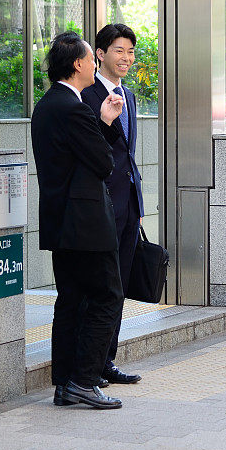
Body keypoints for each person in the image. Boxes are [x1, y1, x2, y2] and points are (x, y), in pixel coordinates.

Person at [31, 31, 126, 409]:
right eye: (90, 59)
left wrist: (99, 122)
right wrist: (101, 123)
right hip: (86, 221)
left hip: (61, 222)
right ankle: (85, 380)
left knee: (70, 300)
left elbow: (75, 158)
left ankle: (65, 383)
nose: (93, 64)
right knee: (107, 296)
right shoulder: (73, 107)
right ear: (77, 65)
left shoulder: (46, 105)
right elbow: (103, 162)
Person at [81, 23, 143, 385]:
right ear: (100, 55)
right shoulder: (86, 97)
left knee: (117, 285)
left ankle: (107, 359)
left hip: (129, 203)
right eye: (119, 50)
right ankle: (90, 361)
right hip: (101, 205)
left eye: (131, 52)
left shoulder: (129, 96)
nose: (127, 58)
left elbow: (128, 155)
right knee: (100, 286)